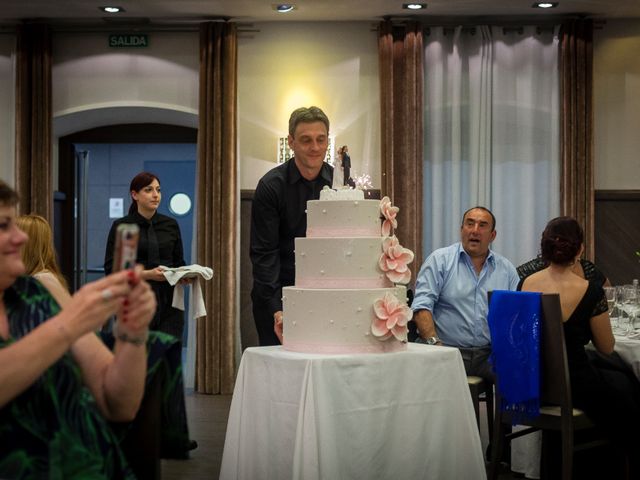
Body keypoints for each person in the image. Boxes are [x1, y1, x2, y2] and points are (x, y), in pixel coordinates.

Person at [0, 180, 156, 478]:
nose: (20, 237)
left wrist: (131, 332)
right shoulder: (60, 315)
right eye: (3, 226)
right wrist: (71, 322)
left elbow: (118, 403)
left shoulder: (36, 294)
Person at [519, 217, 640, 478]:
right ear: (580, 249)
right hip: (574, 384)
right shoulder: (590, 290)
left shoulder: (526, 284)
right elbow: (606, 347)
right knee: (627, 389)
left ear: (544, 246)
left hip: (533, 382)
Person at [250, 106, 333, 345]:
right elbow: (264, 254)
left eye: (321, 139)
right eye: (306, 140)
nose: (315, 147)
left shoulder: (341, 184)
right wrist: (277, 309)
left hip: (326, 297)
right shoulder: (270, 186)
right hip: (277, 294)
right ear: (291, 142)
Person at [411, 206, 519, 382]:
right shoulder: (439, 260)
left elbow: (515, 316)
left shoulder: (506, 270)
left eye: (482, 225)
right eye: (470, 224)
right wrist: (435, 344)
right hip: (447, 349)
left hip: (489, 354)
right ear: (462, 230)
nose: (475, 230)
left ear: (493, 235)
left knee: (519, 376)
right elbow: (422, 306)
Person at [105, 171, 190, 340]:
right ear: (134, 194)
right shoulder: (122, 226)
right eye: (149, 190)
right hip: (133, 303)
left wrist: (184, 275)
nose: (155, 195)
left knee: (166, 360)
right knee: (135, 361)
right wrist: (148, 274)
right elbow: (112, 270)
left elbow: (179, 262)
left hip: (169, 305)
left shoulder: (171, 225)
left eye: (158, 190)